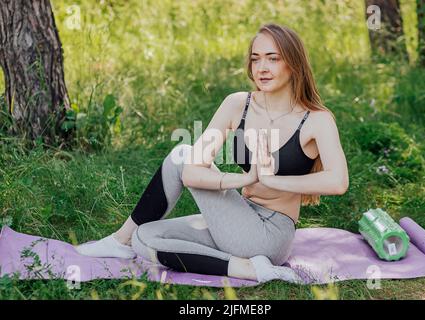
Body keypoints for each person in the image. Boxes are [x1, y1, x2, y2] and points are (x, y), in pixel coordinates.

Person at [75, 23, 349, 284]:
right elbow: (193, 171)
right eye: (255, 59)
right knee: (144, 238)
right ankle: (248, 268)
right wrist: (242, 181)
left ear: (294, 63)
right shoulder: (237, 104)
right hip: (237, 216)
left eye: (272, 58)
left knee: (182, 153)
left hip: (269, 235)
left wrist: (273, 181)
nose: (262, 68)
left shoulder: (316, 120)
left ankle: (118, 240)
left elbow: (338, 181)